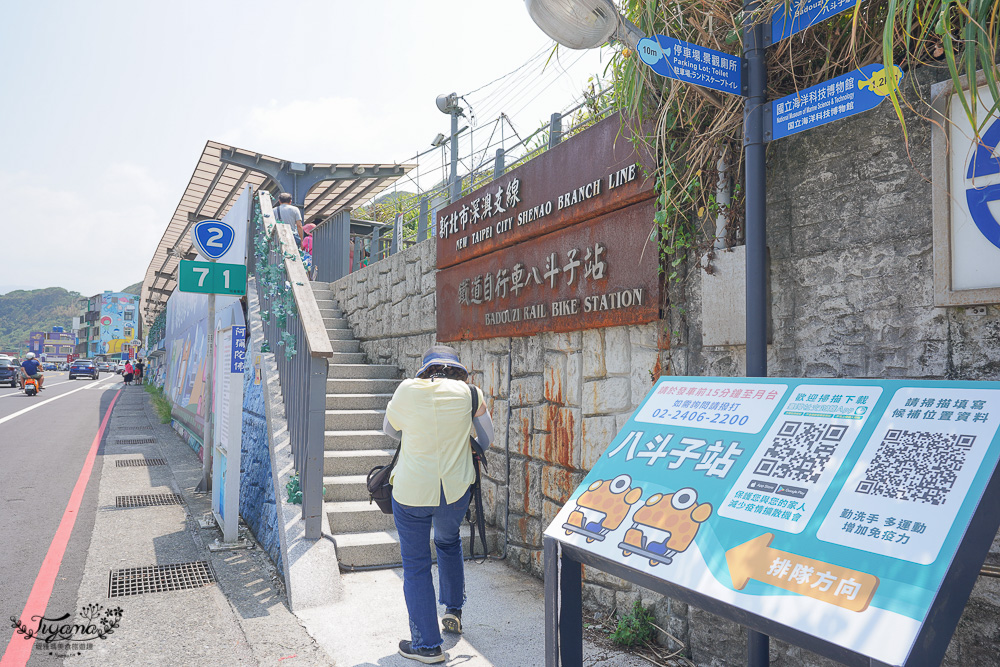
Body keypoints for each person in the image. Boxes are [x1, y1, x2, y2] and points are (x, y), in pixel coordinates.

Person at [383, 346, 494, 664]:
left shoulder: (407, 389)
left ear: (426, 370)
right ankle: (453, 611)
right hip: (455, 493)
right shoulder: (471, 394)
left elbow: (390, 431)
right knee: (448, 543)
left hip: (411, 492)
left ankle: (427, 646)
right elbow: (486, 439)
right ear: (456, 369)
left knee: (416, 566)